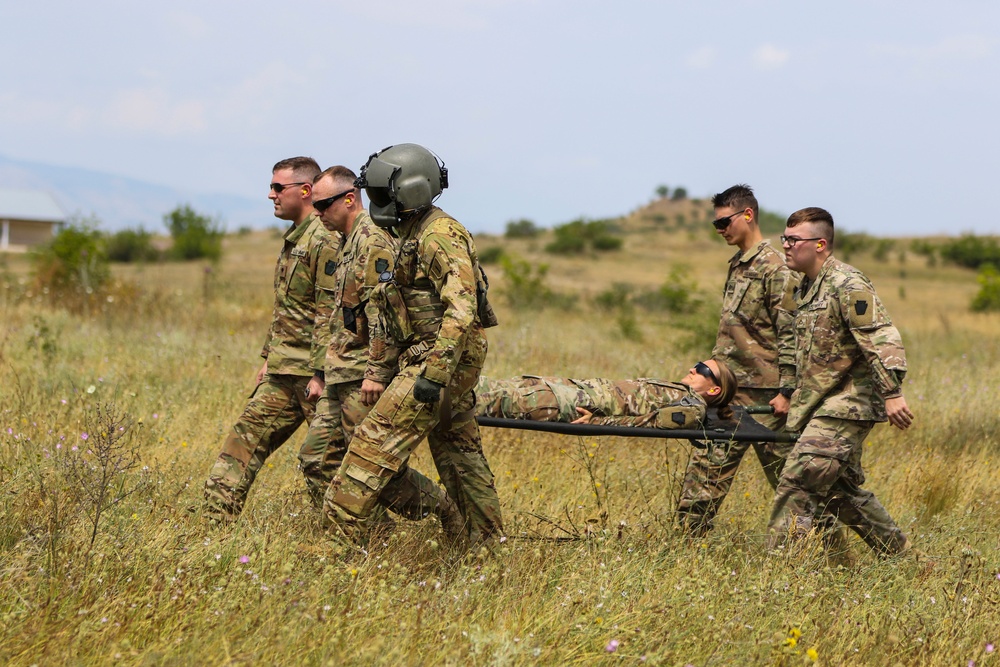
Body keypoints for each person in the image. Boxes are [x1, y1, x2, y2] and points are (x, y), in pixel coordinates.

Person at [323, 144, 503, 548]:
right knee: (460, 460)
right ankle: (486, 552)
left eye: (382, 194)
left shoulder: (439, 235)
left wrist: (432, 376)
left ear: (410, 190)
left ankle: (335, 553)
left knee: (368, 452)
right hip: (434, 361)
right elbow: (388, 311)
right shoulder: (405, 233)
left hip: (436, 363)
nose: (375, 203)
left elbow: (461, 311)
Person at [298, 165, 461, 534]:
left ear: (349, 199)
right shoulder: (342, 241)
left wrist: (375, 373)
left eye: (323, 204)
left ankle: (442, 509)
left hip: (362, 372)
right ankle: (368, 534)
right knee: (316, 459)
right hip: (340, 369)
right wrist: (321, 370)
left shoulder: (372, 240)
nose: (318, 212)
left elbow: (383, 312)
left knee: (374, 466)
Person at [767, 206, 913, 555]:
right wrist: (788, 392)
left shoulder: (847, 283)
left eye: (794, 240)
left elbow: (880, 339)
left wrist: (892, 393)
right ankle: (907, 560)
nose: (785, 246)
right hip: (816, 404)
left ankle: (781, 572)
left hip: (850, 402)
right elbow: (794, 349)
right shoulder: (802, 289)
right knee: (838, 492)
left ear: (820, 244)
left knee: (798, 480)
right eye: (784, 238)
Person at [202, 157, 332, 522]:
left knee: (327, 466)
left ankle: (360, 541)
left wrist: (321, 373)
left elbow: (330, 312)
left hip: (315, 377)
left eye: (278, 188)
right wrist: (268, 359)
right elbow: (288, 308)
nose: (270, 194)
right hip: (283, 370)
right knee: (240, 446)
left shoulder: (325, 241)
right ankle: (211, 531)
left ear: (305, 191)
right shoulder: (295, 238)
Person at [676, 184, 799, 535]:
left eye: (724, 222)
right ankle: (683, 554)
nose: (720, 230)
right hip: (728, 393)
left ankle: (823, 556)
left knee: (792, 487)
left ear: (748, 215)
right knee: (702, 484)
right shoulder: (738, 265)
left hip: (766, 398)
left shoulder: (776, 268)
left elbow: (789, 333)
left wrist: (788, 391)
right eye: (715, 224)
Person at [476, 359, 737, 429]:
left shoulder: (693, 408)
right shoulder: (683, 393)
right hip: (573, 389)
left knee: (496, 400)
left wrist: (597, 422)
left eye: (702, 369)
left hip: (573, 403)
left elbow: (647, 423)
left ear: (715, 389)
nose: (693, 368)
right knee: (497, 387)